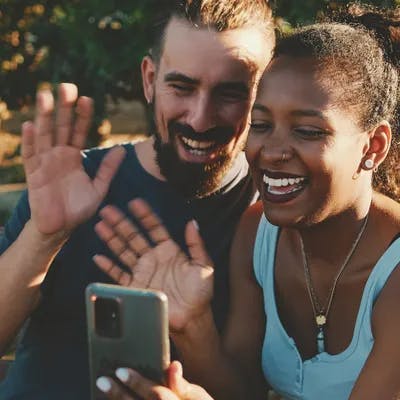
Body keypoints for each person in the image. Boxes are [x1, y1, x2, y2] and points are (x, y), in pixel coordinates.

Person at [93, 4, 400, 399]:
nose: (272, 151)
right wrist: (194, 328)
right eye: (261, 124)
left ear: (372, 146)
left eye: (306, 131)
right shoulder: (258, 231)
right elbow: (242, 390)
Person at [0, 1, 275, 398]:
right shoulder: (73, 183)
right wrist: (42, 237)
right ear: (149, 80)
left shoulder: (269, 213)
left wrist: (196, 333)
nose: (200, 118)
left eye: (230, 93)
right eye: (181, 87)